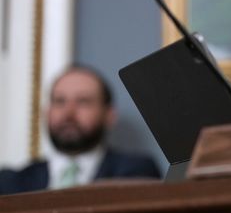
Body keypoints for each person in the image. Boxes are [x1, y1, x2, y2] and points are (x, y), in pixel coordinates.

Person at [0, 65, 160, 195]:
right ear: (46, 113)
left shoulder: (136, 172)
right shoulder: (11, 183)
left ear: (109, 116)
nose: (68, 113)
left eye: (83, 102)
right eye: (60, 101)